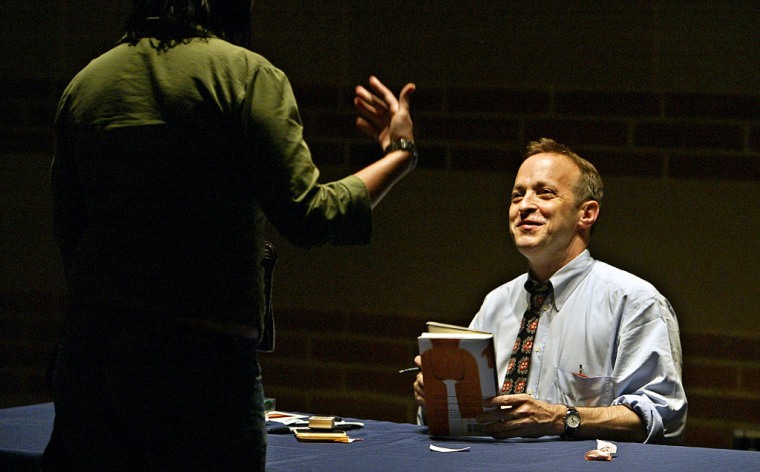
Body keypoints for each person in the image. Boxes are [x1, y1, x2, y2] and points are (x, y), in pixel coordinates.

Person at [43, 1, 417, 470]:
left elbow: (68, 235)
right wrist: (399, 154)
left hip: (90, 360)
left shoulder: (87, 84)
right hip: (201, 369)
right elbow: (310, 216)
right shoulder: (245, 75)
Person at [413, 138, 687, 444]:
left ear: (587, 214)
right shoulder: (496, 302)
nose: (525, 205)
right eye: (517, 195)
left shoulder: (633, 301)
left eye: (545, 193)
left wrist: (561, 419)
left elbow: (662, 417)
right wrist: (437, 398)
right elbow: (465, 420)